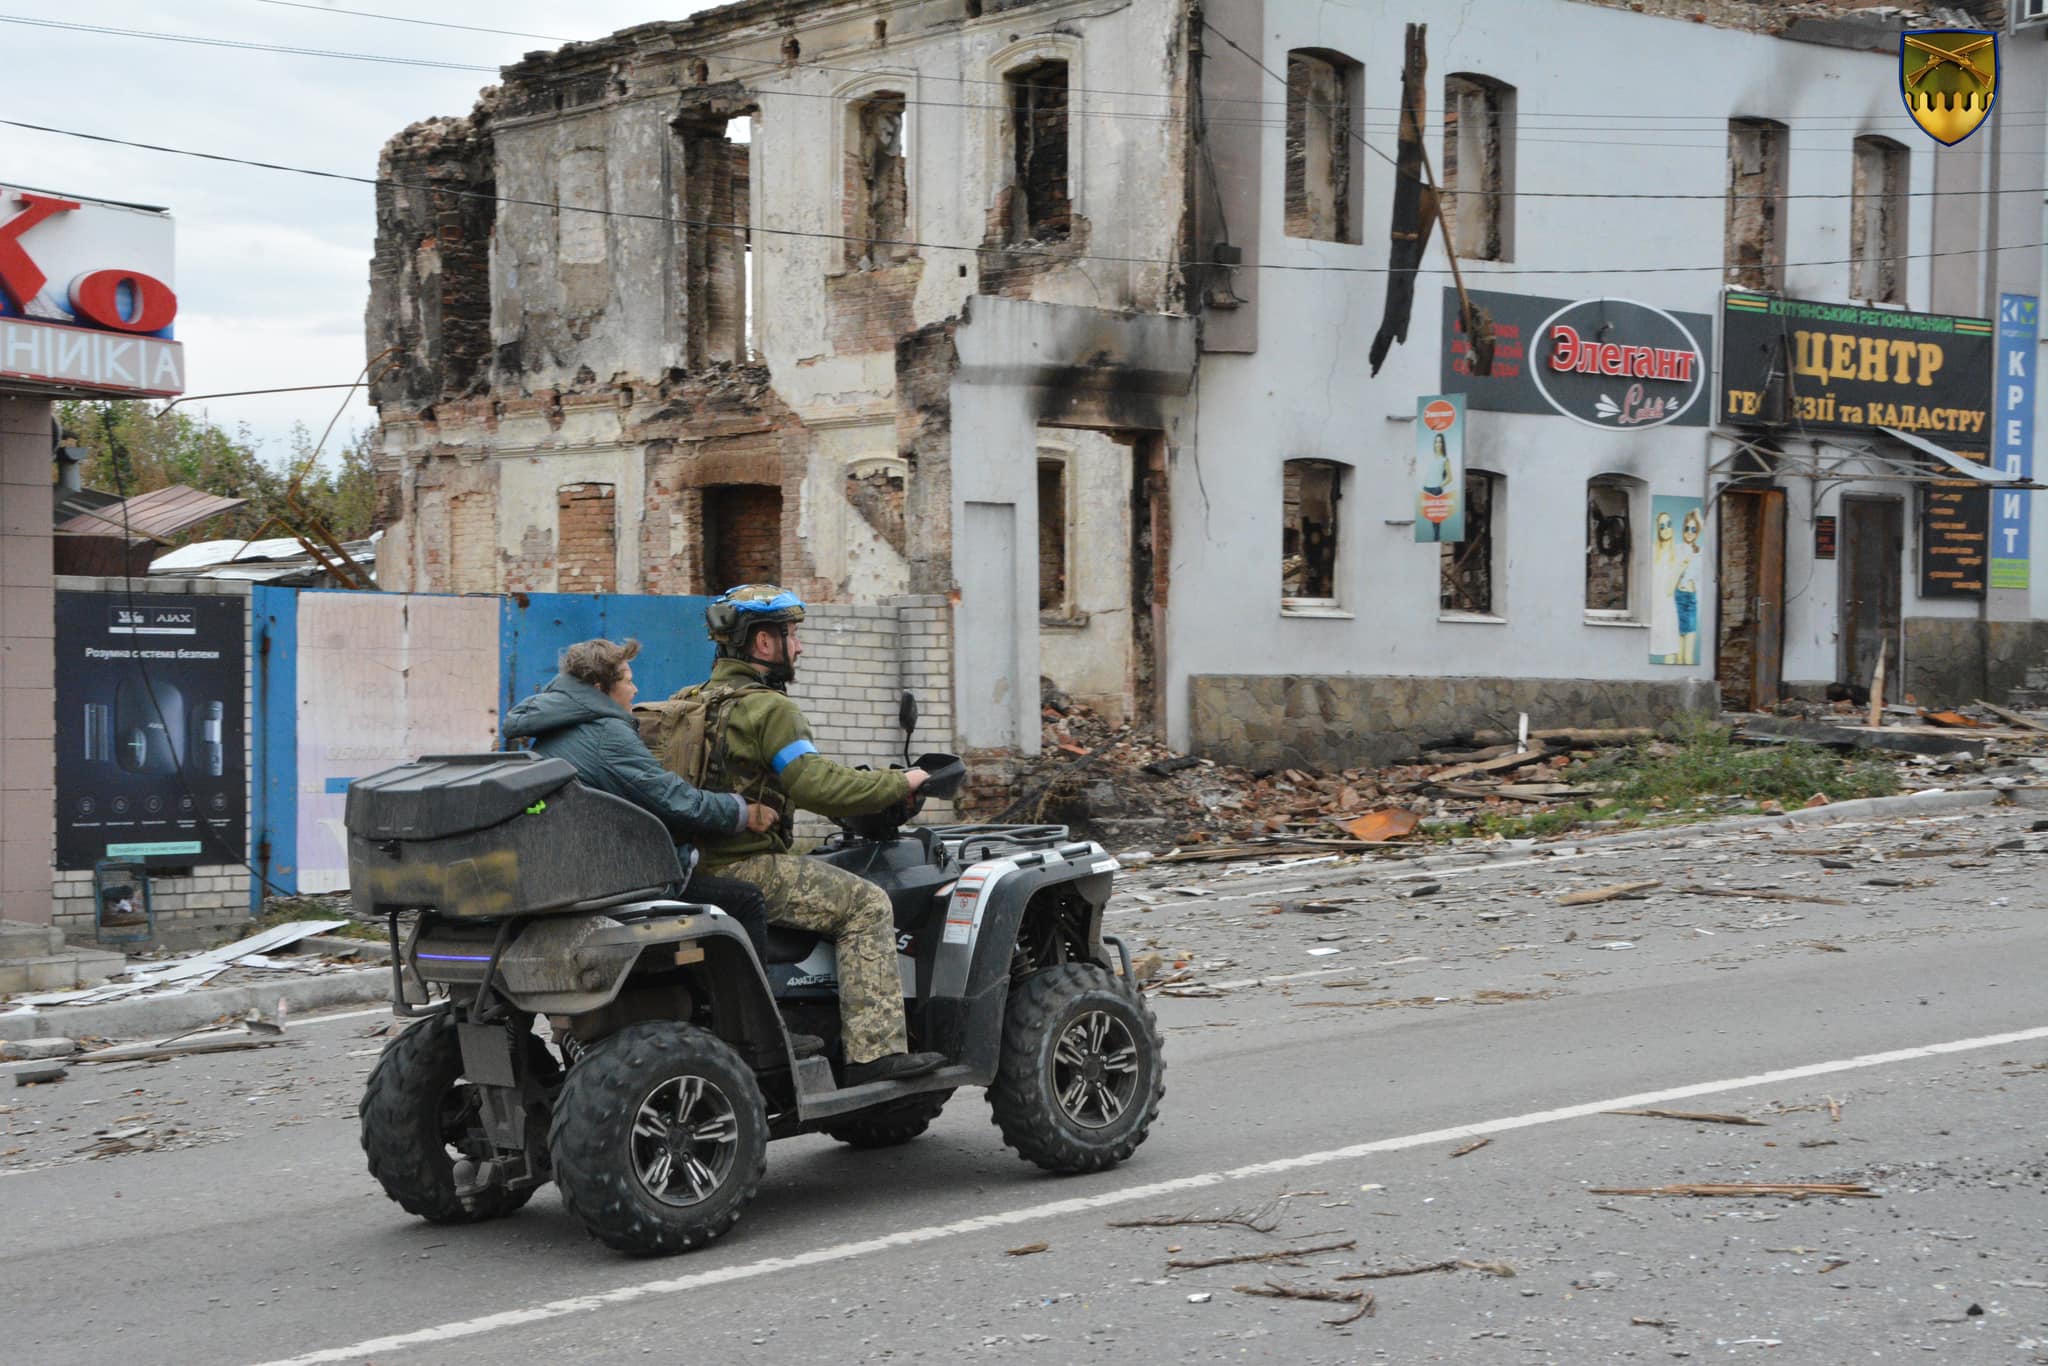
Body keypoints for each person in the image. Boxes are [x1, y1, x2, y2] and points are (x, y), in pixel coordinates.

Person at [681, 584, 944, 1086]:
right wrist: (901, 782)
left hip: (694, 866)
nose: (798, 646)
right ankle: (876, 1053)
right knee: (867, 906)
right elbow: (815, 784)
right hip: (749, 866)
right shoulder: (769, 710)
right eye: (792, 634)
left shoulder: (691, 702)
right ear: (763, 644)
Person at [502, 637, 781, 956]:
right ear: (599, 687)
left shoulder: (553, 724)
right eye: (628, 681)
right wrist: (742, 812)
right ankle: (740, 1007)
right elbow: (674, 800)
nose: (635, 691)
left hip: (567, 872)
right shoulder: (606, 733)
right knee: (748, 901)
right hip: (612, 879)